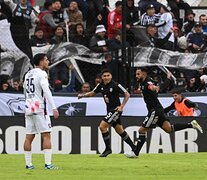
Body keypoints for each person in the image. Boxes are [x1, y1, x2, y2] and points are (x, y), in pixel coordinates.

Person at [124, 67, 203, 158]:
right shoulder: (144, 82)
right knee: (168, 129)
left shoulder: (147, 83)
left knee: (141, 130)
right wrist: (168, 80)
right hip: (158, 109)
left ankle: (135, 153)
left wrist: (155, 87)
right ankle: (191, 125)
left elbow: (152, 87)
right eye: (136, 74)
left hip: (155, 111)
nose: (136, 76)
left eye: (138, 74)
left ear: (144, 74)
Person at [78, 69, 135, 157]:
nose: (106, 77)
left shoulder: (116, 85)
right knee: (119, 130)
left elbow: (127, 94)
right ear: (102, 77)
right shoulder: (100, 85)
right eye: (104, 76)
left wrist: (121, 106)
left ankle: (108, 149)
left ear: (111, 76)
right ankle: (134, 148)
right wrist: (82, 95)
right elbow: (92, 93)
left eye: (108, 75)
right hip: (109, 110)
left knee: (102, 126)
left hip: (115, 110)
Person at [23, 53, 59, 169]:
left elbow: (24, 91)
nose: (48, 62)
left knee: (29, 136)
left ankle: (29, 165)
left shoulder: (28, 74)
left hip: (28, 106)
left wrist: (28, 102)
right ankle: (48, 164)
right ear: (41, 61)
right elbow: (46, 91)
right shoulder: (42, 73)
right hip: (39, 106)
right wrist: (54, 107)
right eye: (46, 60)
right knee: (46, 135)